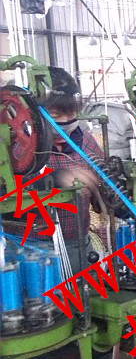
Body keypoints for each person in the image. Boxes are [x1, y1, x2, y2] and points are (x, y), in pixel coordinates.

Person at [8, 67, 106, 274]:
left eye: (72, 114)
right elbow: (6, 203)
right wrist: (54, 180)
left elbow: (104, 188)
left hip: (79, 249)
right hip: (30, 256)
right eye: (56, 115)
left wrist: (110, 197)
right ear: (33, 113)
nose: (66, 122)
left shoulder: (87, 143)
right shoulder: (13, 149)